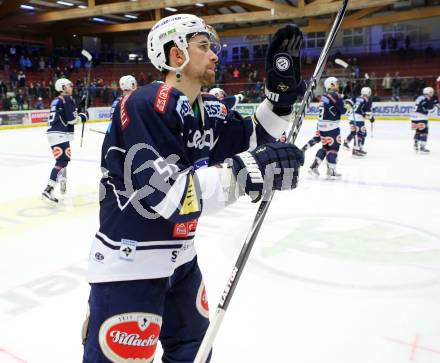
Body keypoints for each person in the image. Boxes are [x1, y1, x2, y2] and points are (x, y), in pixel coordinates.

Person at [82, 14, 305, 363]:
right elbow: (169, 196)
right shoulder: (144, 104)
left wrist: (279, 100)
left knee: (195, 354)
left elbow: (253, 137)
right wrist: (254, 170)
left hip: (182, 262)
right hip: (130, 266)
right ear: (176, 56)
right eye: (203, 47)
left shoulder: (207, 109)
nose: (215, 55)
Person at [41, 78, 88, 203]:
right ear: (62, 87)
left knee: (62, 161)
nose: (71, 87)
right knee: (62, 161)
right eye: (69, 85)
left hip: (53, 133)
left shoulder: (56, 100)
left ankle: (61, 182)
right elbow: (71, 120)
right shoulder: (66, 99)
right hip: (60, 134)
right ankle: (49, 188)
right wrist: (83, 116)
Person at [307, 77, 350, 179]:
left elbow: (332, 106)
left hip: (322, 126)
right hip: (332, 127)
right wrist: (348, 106)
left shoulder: (324, 96)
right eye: (336, 83)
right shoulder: (335, 95)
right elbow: (343, 111)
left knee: (325, 147)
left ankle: (314, 167)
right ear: (331, 84)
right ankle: (331, 170)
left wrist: (340, 99)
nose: (338, 85)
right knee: (334, 148)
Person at [343, 86, 374, 157]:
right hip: (359, 119)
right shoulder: (367, 99)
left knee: (360, 133)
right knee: (360, 134)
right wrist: (371, 118)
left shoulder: (356, 97)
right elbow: (368, 113)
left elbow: (348, 104)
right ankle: (355, 150)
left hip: (352, 117)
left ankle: (359, 148)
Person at [411, 86, 439, 153]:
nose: (432, 93)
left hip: (413, 117)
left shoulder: (420, 97)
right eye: (431, 92)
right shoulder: (427, 98)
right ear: (428, 92)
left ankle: (415, 145)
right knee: (424, 132)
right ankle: (422, 147)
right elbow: (429, 107)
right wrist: (435, 107)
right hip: (421, 117)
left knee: (418, 131)